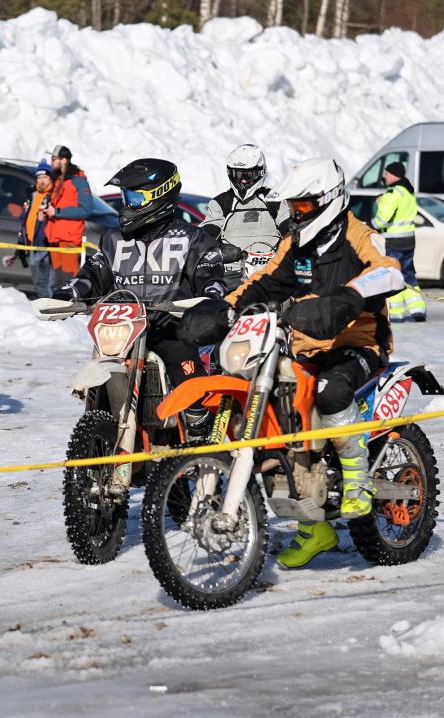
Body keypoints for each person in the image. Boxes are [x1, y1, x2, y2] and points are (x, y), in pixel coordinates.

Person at [180, 158, 405, 569]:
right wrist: (223, 309)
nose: (296, 213)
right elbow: (264, 280)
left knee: (330, 392)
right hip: (303, 342)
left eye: (303, 206)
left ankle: (356, 480)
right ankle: (312, 524)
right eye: (293, 207)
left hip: (357, 342)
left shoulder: (358, 235)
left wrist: (348, 299)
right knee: (273, 415)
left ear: (328, 200)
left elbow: (390, 273)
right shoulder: (295, 243)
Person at [52, 158, 226, 449]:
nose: (128, 204)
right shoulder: (113, 239)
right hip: (123, 333)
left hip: (169, 329)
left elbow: (211, 277)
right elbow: (93, 274)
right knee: (99, 364)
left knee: (183, 362)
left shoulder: (192, 238)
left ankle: (197, 433)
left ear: (160, 194)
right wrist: (68, 294)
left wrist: (210, 298)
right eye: (126, 196)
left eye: (135, 196)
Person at [200, 144, 291, 288]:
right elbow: (208, 233)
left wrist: (286, 243)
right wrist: (220, 248)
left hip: (271, 270)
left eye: (247, 176)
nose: (242, 181)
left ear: (260, 173)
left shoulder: (275, 200)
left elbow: (289, 227)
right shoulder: (221, 203)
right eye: (238, 175)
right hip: (234, 273)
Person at [373, 161, 425, 322]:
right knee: (408, 274)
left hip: (394, 241)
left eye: (387, 174)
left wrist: (371, 224)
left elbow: (382, 220)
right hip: (409, 240)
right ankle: (418, 309)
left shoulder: (391, 195)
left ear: (394, 175)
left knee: (393, 275)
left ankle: (396, 313)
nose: (384, 177)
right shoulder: (408, 193)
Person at [44, 145, 92, 289]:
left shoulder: (78, 179)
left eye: (54, 159)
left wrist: (57, 212)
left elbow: (86, 209)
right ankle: (57, 308)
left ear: (64, 160)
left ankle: (70, 308)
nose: (51, 162)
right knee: (58, 280)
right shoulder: (58, 179)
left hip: (69, 238)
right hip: (55, 238)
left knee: (69, 280)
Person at [5, 159, 53, 297]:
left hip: (47, 246)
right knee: (38, 283)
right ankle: (44, 308)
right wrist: (19, 246)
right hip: (32, 246)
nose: (41, 181)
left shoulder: (53, 196)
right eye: (39, 177)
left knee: (49, 283)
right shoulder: (32, 196)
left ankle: (51, 310)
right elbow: (24, 221)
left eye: (45, 177)